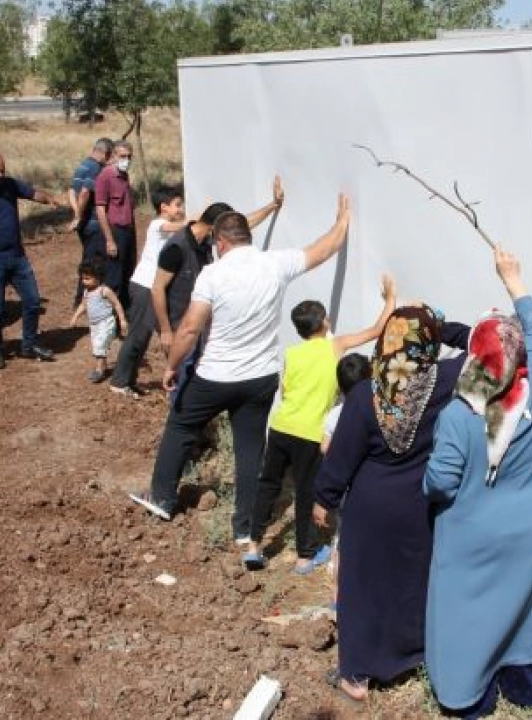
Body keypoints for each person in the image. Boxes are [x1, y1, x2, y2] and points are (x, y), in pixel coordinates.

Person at [129, 194, 352, 555]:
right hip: (260, 379)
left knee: (181, 425)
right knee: (250, 450)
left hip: (215, 376)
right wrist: (341, 224)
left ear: (220, 242)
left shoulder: (213, 274)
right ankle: (245, 528)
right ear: (247, 236)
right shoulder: (275, 263)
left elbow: (190, 328)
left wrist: (171, 365)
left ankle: (163, 498)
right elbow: (322, 250)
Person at [422, 246, 532, 718]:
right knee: (529, 603)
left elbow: (441, 483)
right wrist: (513, 279)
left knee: (466, 615)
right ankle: (524, 680)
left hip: (477, 538)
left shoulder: (460, 415)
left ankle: (467, 695)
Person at [310, 302, 472, 703]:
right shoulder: (445, 382)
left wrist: (324, 498)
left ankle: (357, 676)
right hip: (420, 502)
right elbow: (486, 343)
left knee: (361, 585)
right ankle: (412, 655)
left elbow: (342, 457)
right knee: (412, 579)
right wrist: (441, 325)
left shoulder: (365, 395)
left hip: (371, 507)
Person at [246, 274, 398, 574]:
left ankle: (253, 546)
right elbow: (376, 330)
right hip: (310, 433)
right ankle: (304, 557)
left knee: (268, 484)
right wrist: (391, 298)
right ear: (324, 323)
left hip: (281, 426)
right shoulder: (336, 346)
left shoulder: (292, 353)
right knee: (306, 492)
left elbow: (285, 391)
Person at [115, 177, 283, 401]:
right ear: (214, 228)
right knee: (177, 377)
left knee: (190, 376)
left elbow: (244, 225)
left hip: (192, 320)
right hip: (177, 323)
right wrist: (166, 331)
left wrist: (273, 205)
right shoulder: (177, 248)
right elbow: (157, 289)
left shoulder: (204, 240)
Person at [0, 149, 69, 369]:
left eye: (2, 171)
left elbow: (33, 193)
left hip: (17, 256)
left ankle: (28, 345)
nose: (0, 176)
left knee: (32, 301)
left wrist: (51, 199)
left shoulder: (9, 184)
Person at [106, 185, 188, 397]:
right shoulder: (157, 225)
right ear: (164, 207)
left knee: (145, 337)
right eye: (177, 205)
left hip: (153, 288)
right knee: (138, 335)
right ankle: (119, 382)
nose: (181, 209)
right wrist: (198, 220)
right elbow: (175, 227)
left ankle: (130, 380)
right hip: (144, 286)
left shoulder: (172, 228)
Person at [321, 352, 373, 611]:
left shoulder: (335, 414)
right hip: (368, 488)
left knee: (342, 539)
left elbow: (324, 448)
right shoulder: (375, 411)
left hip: (345, 489)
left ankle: (337, 597)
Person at [69, 138, 113, 307]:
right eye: (110, 155)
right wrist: (79, 216)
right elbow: (85, 193)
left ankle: (87, 297)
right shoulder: (96, 168)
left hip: (84, 224)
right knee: (94, 262)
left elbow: (71, 191)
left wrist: (76, 214)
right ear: (105, 153)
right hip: (93, 224)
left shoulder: (83, 165)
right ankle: (83, 299)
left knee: (90, 258)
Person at [94, 140, 137, 309]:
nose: (126, 160)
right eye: (122, 156)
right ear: (113, 155)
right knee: (114, 276)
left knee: (128, 270)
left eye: (129, 157)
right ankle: (110, 314)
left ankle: (124, 311)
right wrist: (109, 240)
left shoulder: (124, 175)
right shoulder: (105, 176)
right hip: (115, 231)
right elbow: (100, 209)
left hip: (128, 230)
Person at [70, 259, 128, 383]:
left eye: (87, 279)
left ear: (98, 278)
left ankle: (99, 370)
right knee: (98, 345)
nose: (84, 281)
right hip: (94, 325)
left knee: (99, 345)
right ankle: (104, 367)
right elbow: (83, 305)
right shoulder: (86, 292)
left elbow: (117, 304)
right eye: (83, 278)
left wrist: (122, 320)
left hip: (106, 323)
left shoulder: (104, 290)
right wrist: (75, 316)